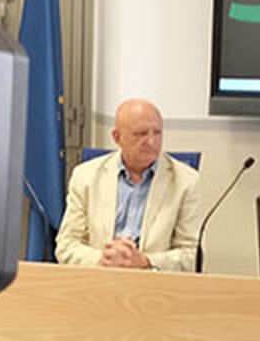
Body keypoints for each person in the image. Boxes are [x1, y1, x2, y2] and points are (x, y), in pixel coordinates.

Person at [55, 99, 203, 271]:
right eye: (141, 134)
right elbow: (66, 245)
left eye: (157, 133)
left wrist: (145, 261)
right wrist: (104, 259)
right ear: (117, 137)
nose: (151, 142)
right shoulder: (86, 176)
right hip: (99, 279)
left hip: (154, 285)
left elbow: (192, 255)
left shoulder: (186, 181)